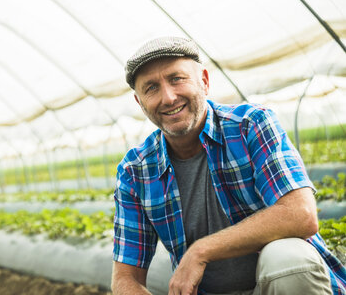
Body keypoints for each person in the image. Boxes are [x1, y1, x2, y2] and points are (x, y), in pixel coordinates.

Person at [111, 36, 346, 295]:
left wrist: (201, 251)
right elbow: (125, 279)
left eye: (177, 78)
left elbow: (300, 214)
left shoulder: (250, 126)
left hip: (275, 288)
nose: (168, 97)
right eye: (151, 88)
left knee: (288, 259)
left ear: (204, 80)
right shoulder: (135, 171)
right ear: (140, 102)